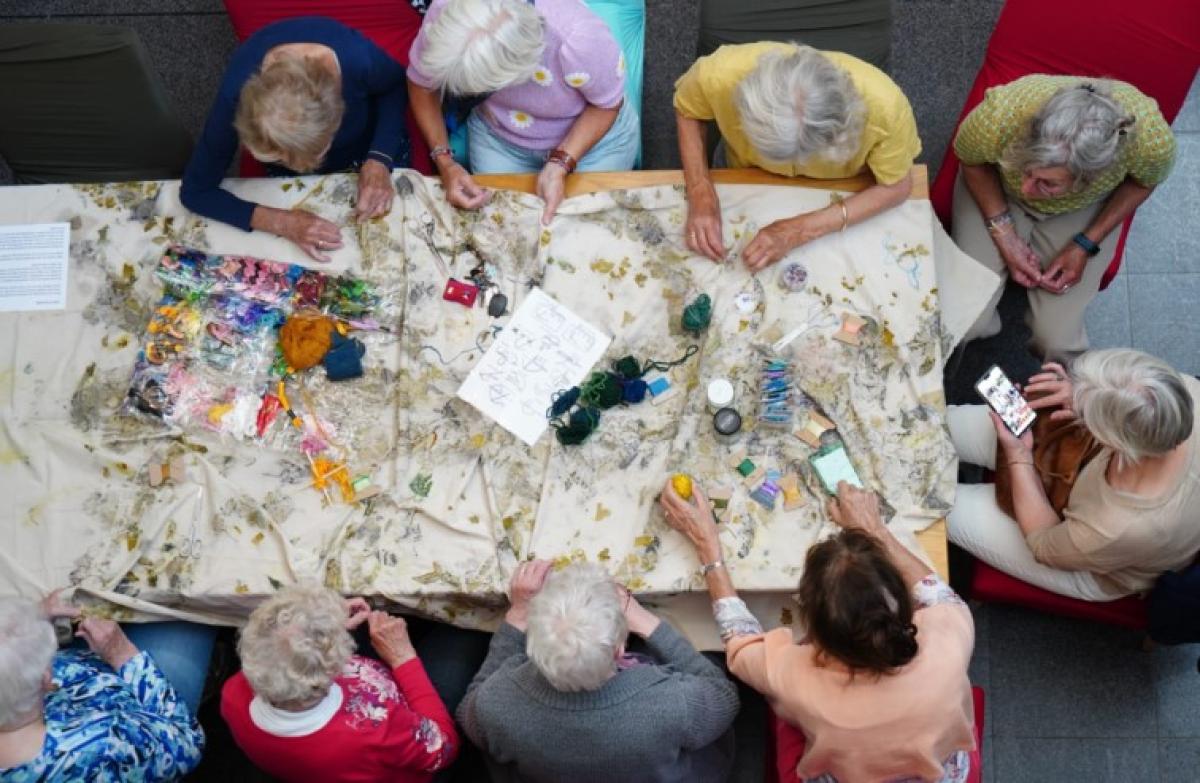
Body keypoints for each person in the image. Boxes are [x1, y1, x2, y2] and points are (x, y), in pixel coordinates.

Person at [660, 479, 976, 782]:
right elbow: (936, 593)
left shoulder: (797, 679)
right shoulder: (950, 633)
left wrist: (709, 549)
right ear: (904, 606)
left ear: (813, 631)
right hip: (942, 770)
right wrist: (874, 529)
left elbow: (741, 646)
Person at [952, 77, 1176, 361]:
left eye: (1047, 183)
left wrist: (1085, 243)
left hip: (1080, 208)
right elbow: (971, 161)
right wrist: (1004, 232)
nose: (1027, 188)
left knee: (1057, 343)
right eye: (1027, 170)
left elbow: (1144, 182)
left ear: (1091, 176)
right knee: (965, 323)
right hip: (997, 188)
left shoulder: (1151, 142)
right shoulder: (999, 114)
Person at [948, 349, 1200, 601]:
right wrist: (1081, 391)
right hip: (1092, 473)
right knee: (942, 424)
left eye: (1085, 412)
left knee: (941, 505)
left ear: (1112, 440)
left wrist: (1019, 455)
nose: (1073, 402)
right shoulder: (1184, 389)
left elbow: (1042, 542)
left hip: (1088, 555)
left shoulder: (1117, 527)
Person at [457, 560, 740, 782]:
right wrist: (644, 620)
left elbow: (468, 710)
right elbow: (725, 697)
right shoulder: (671, 702)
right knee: (709, 657)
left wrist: (518, 613)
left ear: (532, 644)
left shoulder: (498, 703)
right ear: (620, 650)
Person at [673, 42, 920, 271]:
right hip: (749, 174)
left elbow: (897, 187)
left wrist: (800, 230)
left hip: (845, 189)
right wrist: (700, 191)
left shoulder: (886, 108)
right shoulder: (718, 74)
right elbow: (688, 109)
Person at [180, 16, 408, 262]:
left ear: (337, 119)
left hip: (369, 145)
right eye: (282, 158)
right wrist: (282, 222)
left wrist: (379, 159)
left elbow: (395, 85)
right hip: (291, 178)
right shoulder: (236, 95)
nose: (304, 168)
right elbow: (195, 191)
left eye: (316, 152)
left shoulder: (357, 59)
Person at [406, 0, 639, 224]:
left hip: (594, 143)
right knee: (502, 226)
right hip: (499, 138)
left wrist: (561, 162)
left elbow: (606, 105)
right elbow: (421, 82)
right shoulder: (448, 12)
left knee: (590, 226)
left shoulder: (579, 36)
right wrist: (445, 162)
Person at [221, 584, 458, 782]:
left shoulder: (234, 692)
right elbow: (444, 749)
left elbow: (283, 649)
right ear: (334, 667)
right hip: (406, 726)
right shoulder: (372, 726)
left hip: (324, 763)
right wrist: (404, 658)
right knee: (460, 633)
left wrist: (320, 626)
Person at [0, 593, 204, 781]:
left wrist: (28, 621)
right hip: (154, 714)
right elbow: (189, 743)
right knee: (188, 614)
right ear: (45, 679)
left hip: (92, 670)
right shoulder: (101, 743)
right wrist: (122, 652)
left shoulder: (15, 704)